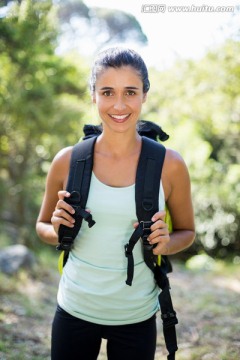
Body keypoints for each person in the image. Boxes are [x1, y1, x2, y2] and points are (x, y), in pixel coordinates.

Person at [36, 47, 195, 360]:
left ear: (144, 95)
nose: (119, 105)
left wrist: (165, 244)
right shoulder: (67, 161)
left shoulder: (170, 165)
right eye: (107, 92)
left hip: (136, 315)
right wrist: (56, 229)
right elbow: (42, 227)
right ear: (93, 95)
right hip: (74, 309)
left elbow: (187, 231)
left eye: (130, 92)